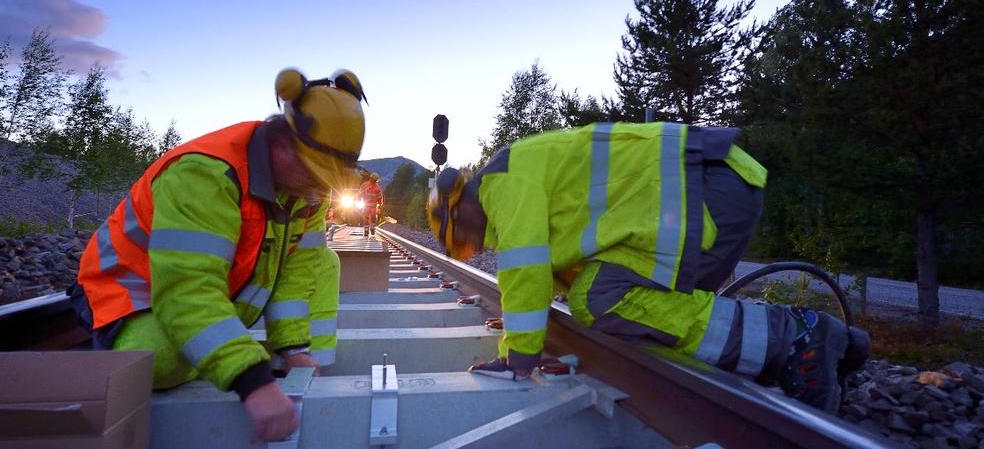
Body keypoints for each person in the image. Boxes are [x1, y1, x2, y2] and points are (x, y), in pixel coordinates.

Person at [426, 121, 869, 414]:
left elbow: (525, 266)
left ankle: (796, 341)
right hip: (708, 187)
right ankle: (828, 341)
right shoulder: (517, 175)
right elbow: (545, 271)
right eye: (465, 247)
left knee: (601, 299)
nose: (475, 244)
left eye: (464, 237)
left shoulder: (500, 183)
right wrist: (526, 316)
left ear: (459, 205)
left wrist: (519, 356)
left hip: (706, 190)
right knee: (630, 300)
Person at [68, 67, 367, 441]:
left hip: (214, 291)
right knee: (158, 359)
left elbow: (297, 274)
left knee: (324, 263)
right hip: (131, 295)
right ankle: (223, 356)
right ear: (282, 144)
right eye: (315, 173)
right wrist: (252, 381)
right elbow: (187, 291)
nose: (320, 189)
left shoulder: (306, 191)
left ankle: (295, 374)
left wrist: (294, 349)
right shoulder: (205, 174)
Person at [359, 172, 383, 236]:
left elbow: (379, 197)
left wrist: (380, 204)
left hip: (372, 206)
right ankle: (366, 231)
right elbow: (360, 194)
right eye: (374, 180)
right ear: (371, 179)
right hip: (367, 205)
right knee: (367, 218)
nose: (374, 181)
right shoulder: (365, 185)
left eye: (375, 180)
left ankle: (372, 229)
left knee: (372, 218)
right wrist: (359, 199)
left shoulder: (377, 187)